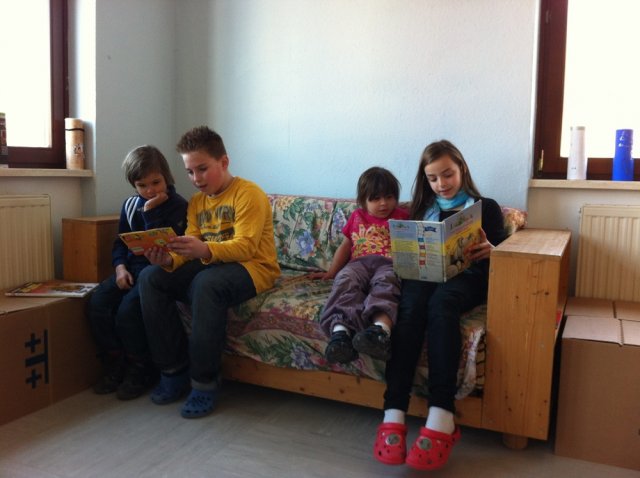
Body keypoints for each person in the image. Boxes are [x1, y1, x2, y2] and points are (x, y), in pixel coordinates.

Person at [373, 140, 507, 470]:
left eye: (447, 174)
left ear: (462, 169)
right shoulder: (421, 210)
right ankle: (394, 411)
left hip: (468, 277)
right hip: (426, 275)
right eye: (433, 178)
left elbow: (505, 253)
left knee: (441, 305)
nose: (441, 184)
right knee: (410, 308)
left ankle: (442, 414)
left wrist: (494, 250)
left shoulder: (486, 207)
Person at [138, 126, 280, 419]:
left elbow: (246, 247)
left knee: (206, 284)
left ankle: (204, 382)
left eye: (202, 169)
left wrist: (204, 250)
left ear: (224, 162)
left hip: (253, 267)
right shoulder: (197, 202)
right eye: (189, 172)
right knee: (150, 278)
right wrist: (167, 260)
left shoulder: (248, 194)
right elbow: (189, 245)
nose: (196, 178)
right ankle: (173, 369)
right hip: (212, 263)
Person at [88, 145, 188, 400]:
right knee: (98, 302)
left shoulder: (179, 206)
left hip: (157, 271)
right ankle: (115, 361)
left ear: (167, 178)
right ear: (134, 185)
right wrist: (120, 268)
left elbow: (163, 244)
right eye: (142, 186)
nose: (150, 190)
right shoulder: (130, 205)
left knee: (127, 313)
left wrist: (151, 211)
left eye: (156, 183)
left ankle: (141, 367)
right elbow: (121, 242)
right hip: (130, 268)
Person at [311, 167, 409, 364]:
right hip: (358, 264)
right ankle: (340, 335)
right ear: (363, 200)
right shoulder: (357, 216)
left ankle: (379, 332)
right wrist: (332, 272)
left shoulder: (403, 217)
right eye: (375, 198)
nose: (383, 203)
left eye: (389, 197)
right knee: (345, 280)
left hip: (388, 264)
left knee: (387, 283)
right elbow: (346, 246)